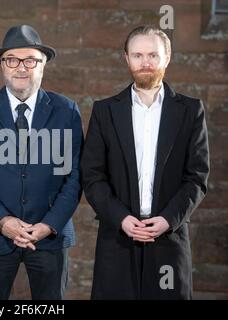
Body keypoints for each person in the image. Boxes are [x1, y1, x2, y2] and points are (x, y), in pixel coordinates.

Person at [81, 25, 210, 299]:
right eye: (137, 55)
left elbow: (196, 177)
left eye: (153, 55)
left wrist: (168, 219)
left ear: (167, 58)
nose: (145, 63)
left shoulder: (190, 111)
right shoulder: (105, 111)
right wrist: (122, 218)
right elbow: (92, 176)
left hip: (169, 237)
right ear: (127, 59)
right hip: (117, 238)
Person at [0, 25, 83, 299]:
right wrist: (2, 221)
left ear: (43, 65)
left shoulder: (67, 111)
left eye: (30, 60)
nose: (20, 67)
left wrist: (49, 225)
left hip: (49, 237)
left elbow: (75, 175)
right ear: (2, 65)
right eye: (11, 59)